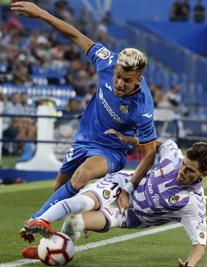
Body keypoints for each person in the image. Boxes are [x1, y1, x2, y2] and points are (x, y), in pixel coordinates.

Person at [11, 2, 157, 225]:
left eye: (127, 81)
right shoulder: (107, 60)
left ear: (139, 79)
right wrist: (41, 13)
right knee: (59, 185)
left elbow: (149, 153)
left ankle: (36, 221)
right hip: (84, 137)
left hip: (110, 150)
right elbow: (74, 34)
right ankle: (54, 233)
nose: (119, 83)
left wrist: (129, 186)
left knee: (81, 176)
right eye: (117, 76)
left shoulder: (142, 107)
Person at [21, 135, 207, 267]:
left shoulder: (192, 202)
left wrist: (190, 265)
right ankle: (39, 223)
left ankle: (46, 249)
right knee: (83, 203)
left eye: (190, 171)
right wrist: (130, 140)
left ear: (203, 175)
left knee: (75, 222)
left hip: (128, 215)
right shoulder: (174, 156)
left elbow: (199, 244)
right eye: (184, 165)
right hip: (121, 185)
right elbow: (154, 143)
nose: (182, 171)